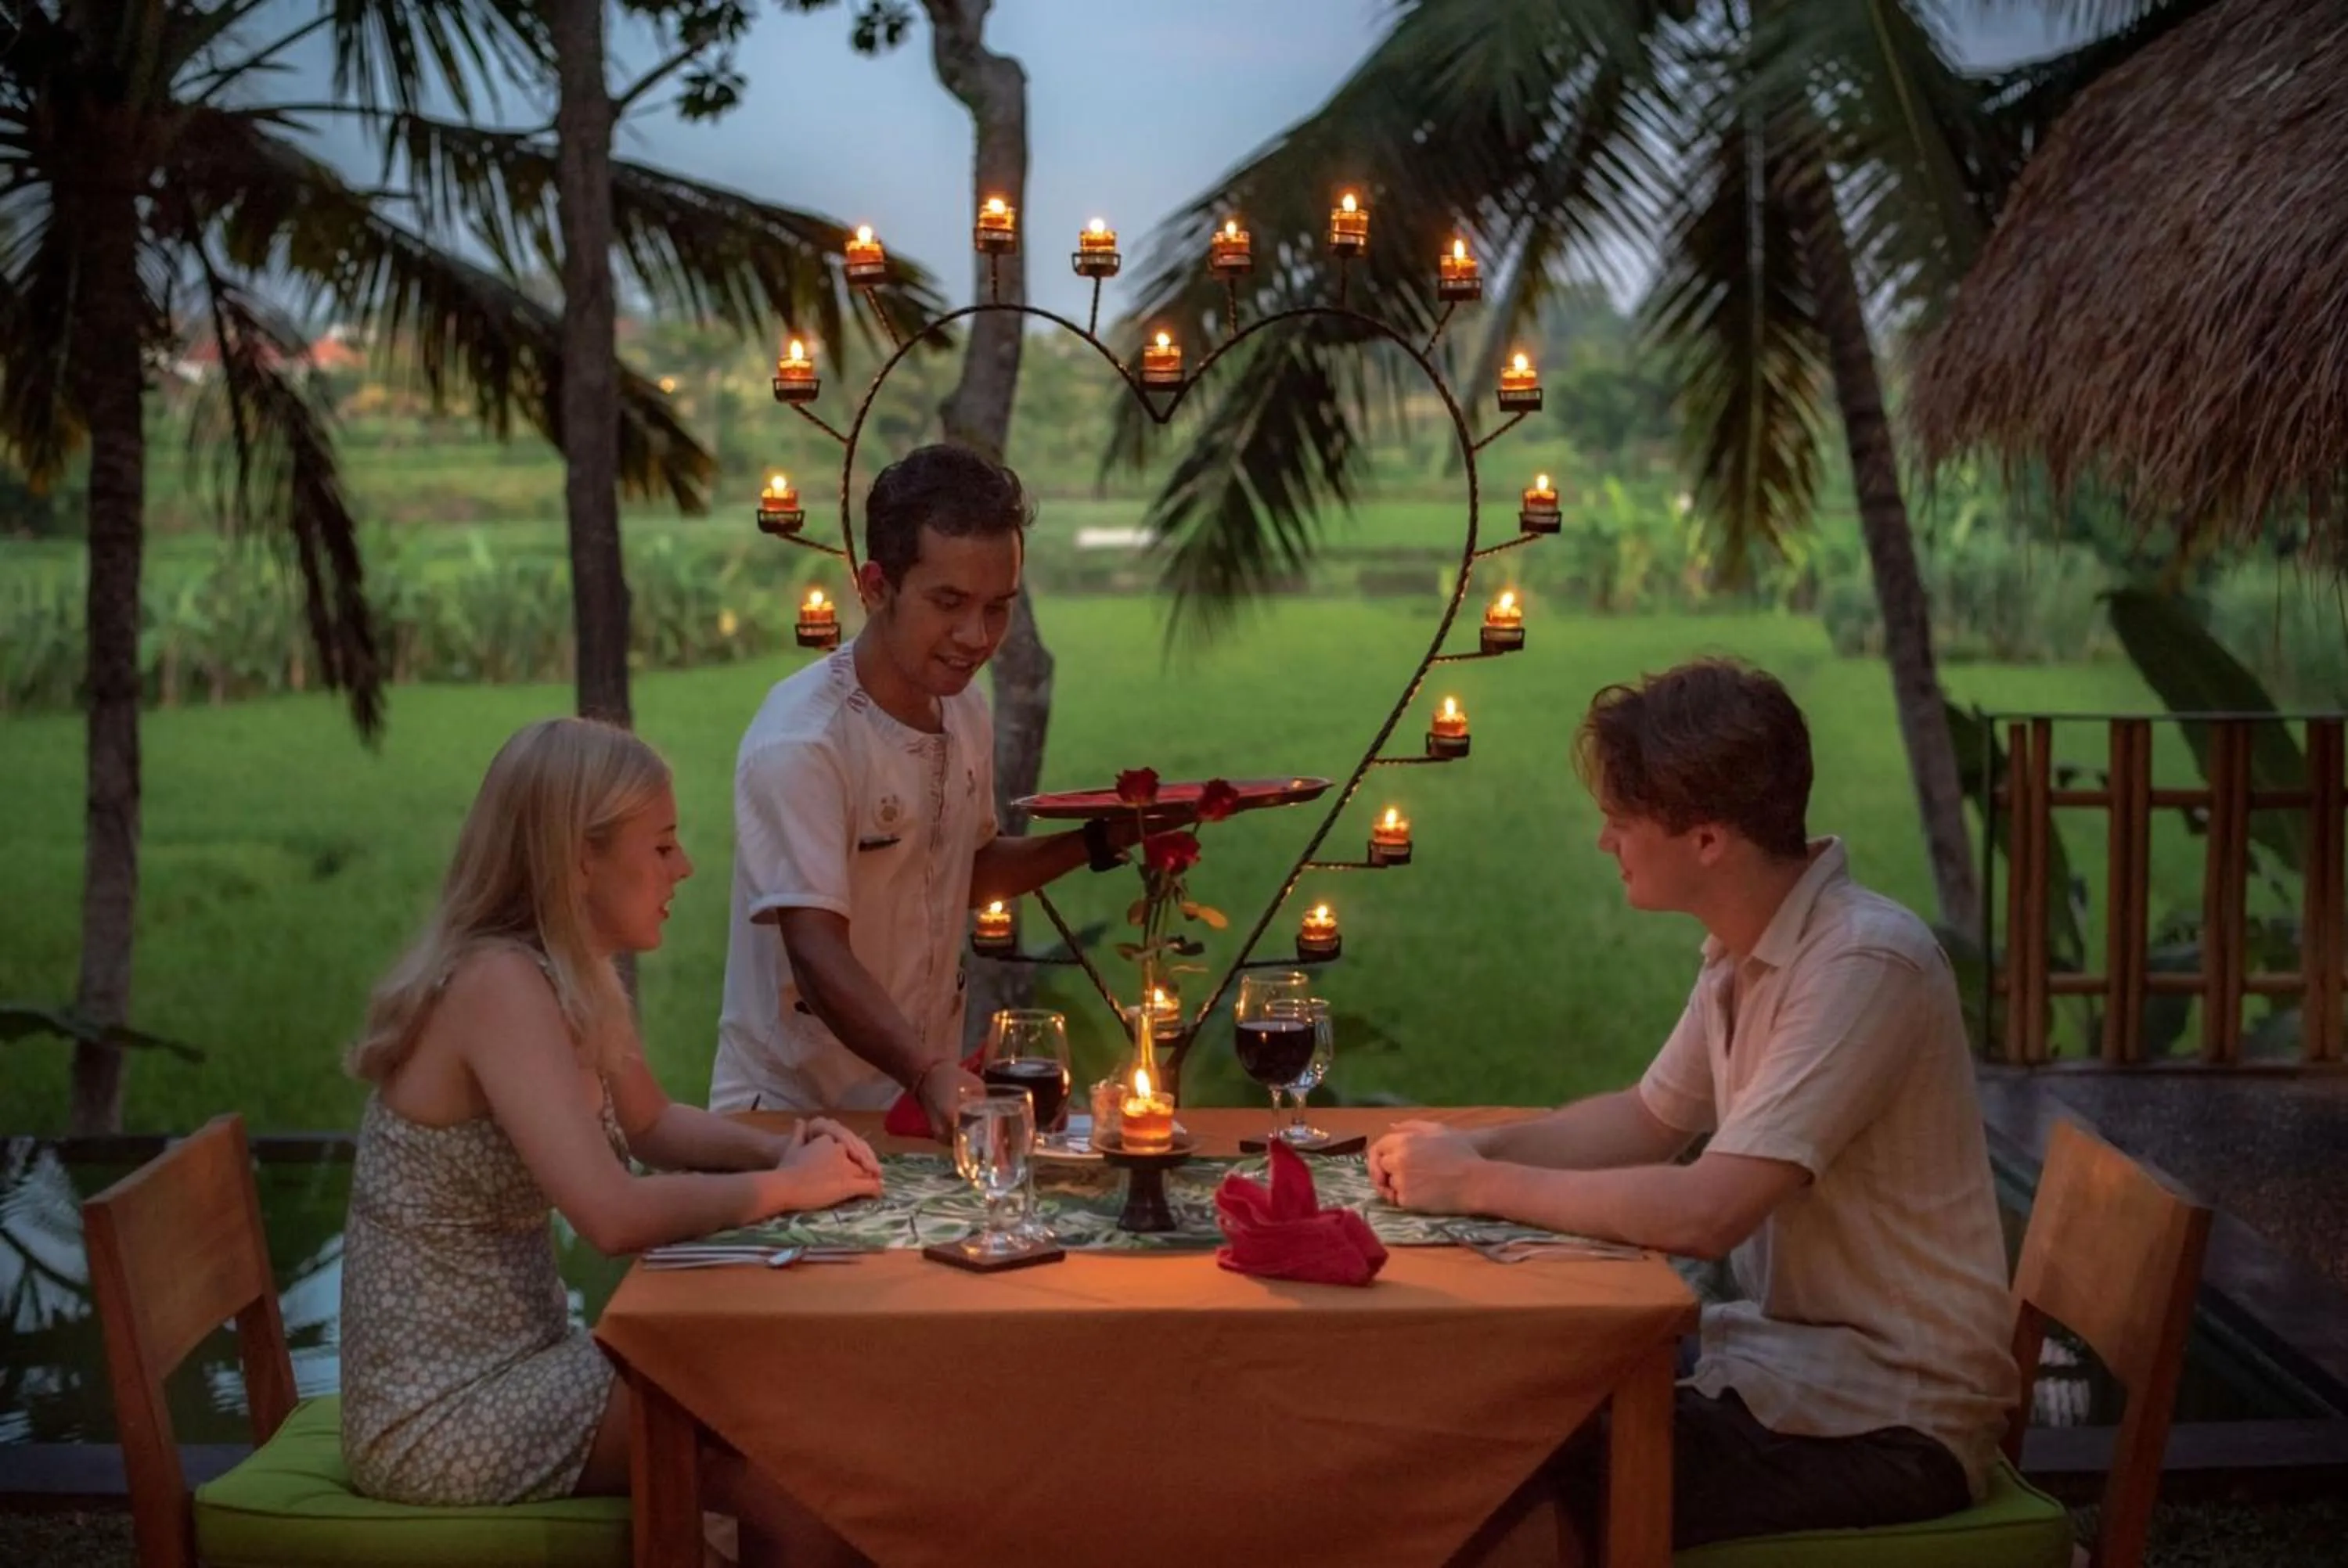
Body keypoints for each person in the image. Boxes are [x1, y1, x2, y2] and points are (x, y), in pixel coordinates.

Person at [1369, 659, 2017, 1555]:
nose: (1607, 843)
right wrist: (1460, 1149)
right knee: (1504, 1407)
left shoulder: (1864, 968)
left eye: (1622, 821)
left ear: (1708, 839)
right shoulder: (1744, 952)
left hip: (1887, 1423)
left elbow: (1708, 1211)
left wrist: (1479, 1184)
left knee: (1510, 1472)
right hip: (1783, 1375)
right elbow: (1646, 1119)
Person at [339, 717, 881, 1564]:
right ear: (578, 858)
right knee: (768, 1424)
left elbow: (653, 1123)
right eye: (662, 845)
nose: (685, 868)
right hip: (441, 1416)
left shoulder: (568, 970)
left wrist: (777, 1153)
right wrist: (790, 1189)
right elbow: (613, 1214)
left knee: (777, 1407)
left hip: (529, 1368)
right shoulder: (498, 985)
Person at [713, 443, 1132, 1127]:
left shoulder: (964, 707)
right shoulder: (804, 741)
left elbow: (963, 874)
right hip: (792, 1118)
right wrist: (928, 1070)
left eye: (999, 607)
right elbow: (815, 949)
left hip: (917, 1109)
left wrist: (1100, 839)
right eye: (949, 603)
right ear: (875, 587)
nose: (977, 636)